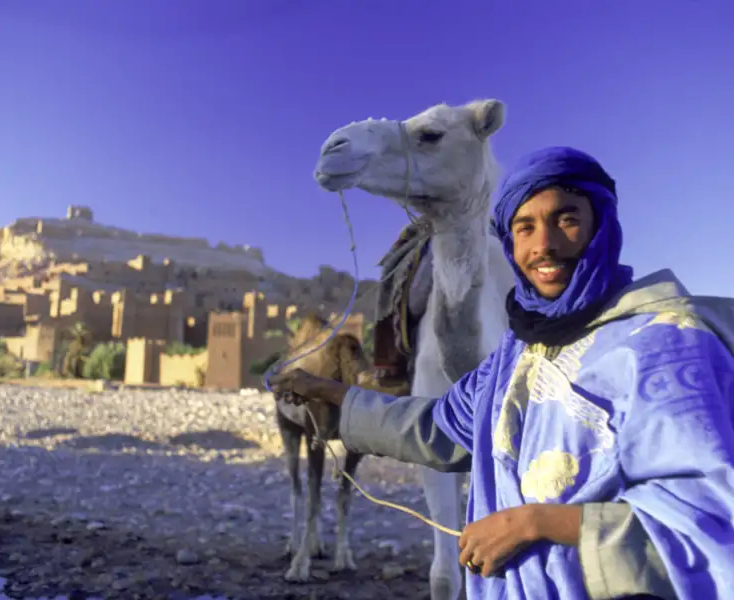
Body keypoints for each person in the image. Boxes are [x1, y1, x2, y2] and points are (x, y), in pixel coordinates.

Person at [269, 146, 734, 600]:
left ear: (601, 226)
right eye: (525, 227)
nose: (544, 245)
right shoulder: (518, 353)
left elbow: (710, 524)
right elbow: (438, 427)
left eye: (566, 219)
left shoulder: (666, 344)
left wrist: (534, 523)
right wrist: (330, 393)